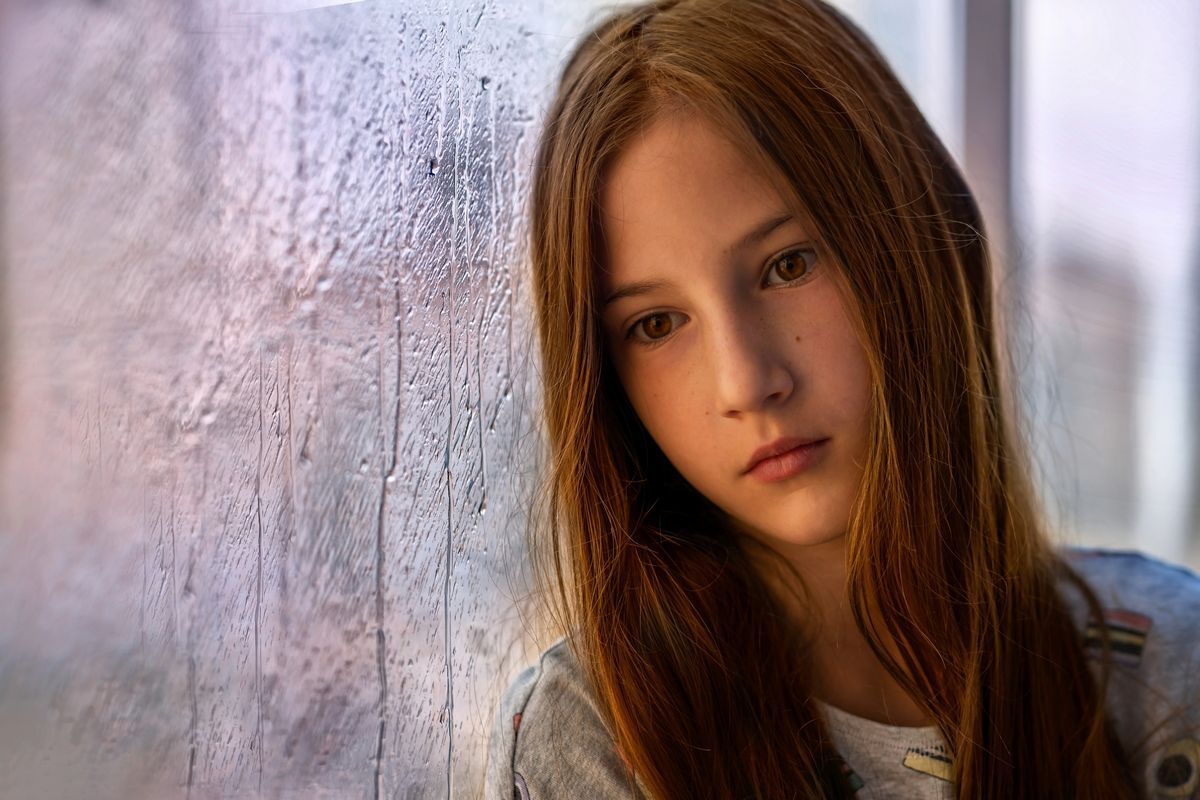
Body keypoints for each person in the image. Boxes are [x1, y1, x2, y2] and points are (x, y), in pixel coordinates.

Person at [484, 0, 1200, 797]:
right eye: (656, 324)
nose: (747, 382)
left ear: (908, 246)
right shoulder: (593, 734)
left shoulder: (1169, 668)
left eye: (787, 266)